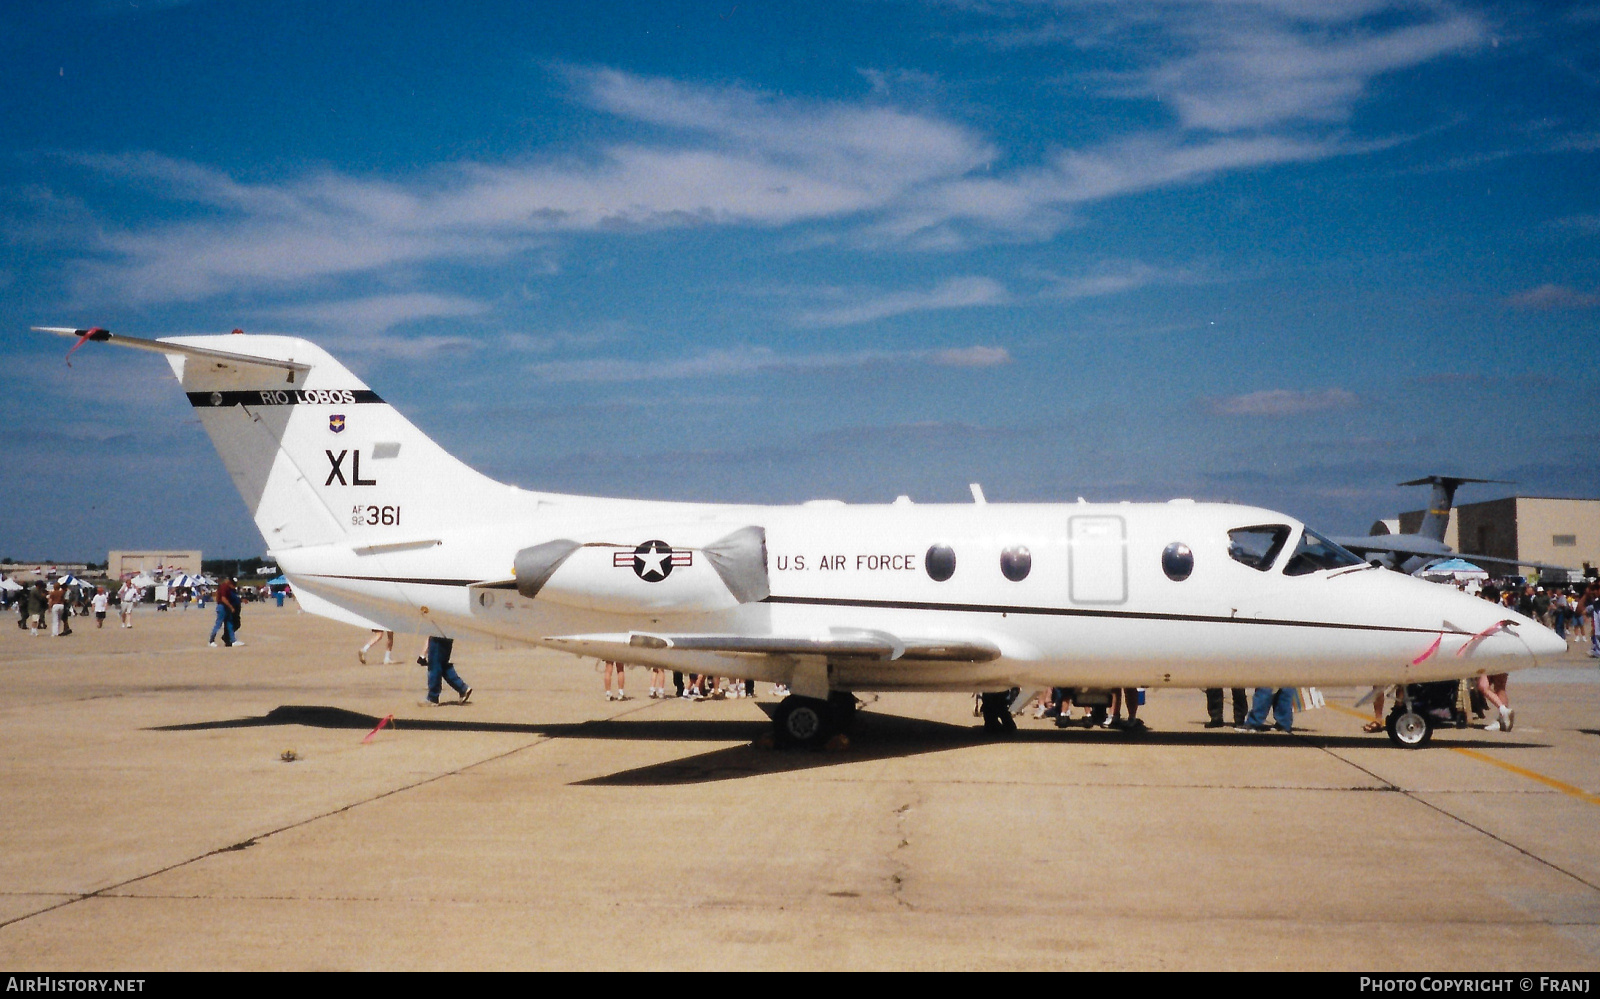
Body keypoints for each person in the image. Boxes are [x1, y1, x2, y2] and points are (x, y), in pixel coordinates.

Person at [419, 635, 471, 706]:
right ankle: (462, 688)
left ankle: (432, 698)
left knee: (435, 667)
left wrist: (423, 654)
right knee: (443, 666)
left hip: (438, 639)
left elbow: (432, 633)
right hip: (447, 637)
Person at [208, 576, 242, 647]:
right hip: (222, 607)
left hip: (226, 607)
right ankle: (211, 641)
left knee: (230, 624)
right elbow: (223, 598)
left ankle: (233, 640)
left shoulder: (228, 588)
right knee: (218, 624)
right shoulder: (224, 587)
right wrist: (231, 607)